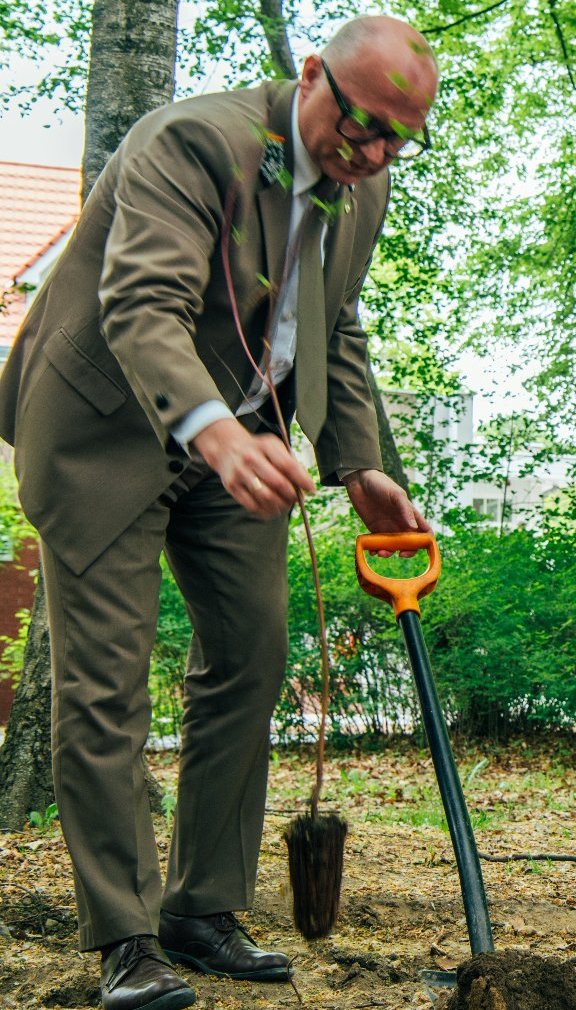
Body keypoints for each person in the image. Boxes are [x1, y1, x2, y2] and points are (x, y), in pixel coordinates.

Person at [0, 17, 435, 1010]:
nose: (369, 154)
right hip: (104, 425)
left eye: (395, 140)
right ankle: (125, 934)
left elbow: (337, 322)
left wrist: (359, 464)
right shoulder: (193, 143)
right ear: (312, 74)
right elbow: (143, 302)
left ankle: (204, 904)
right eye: (360, 124)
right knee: (106, 679)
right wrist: (216, 433)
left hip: (244, 436)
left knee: (252, 648)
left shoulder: (362, 184)